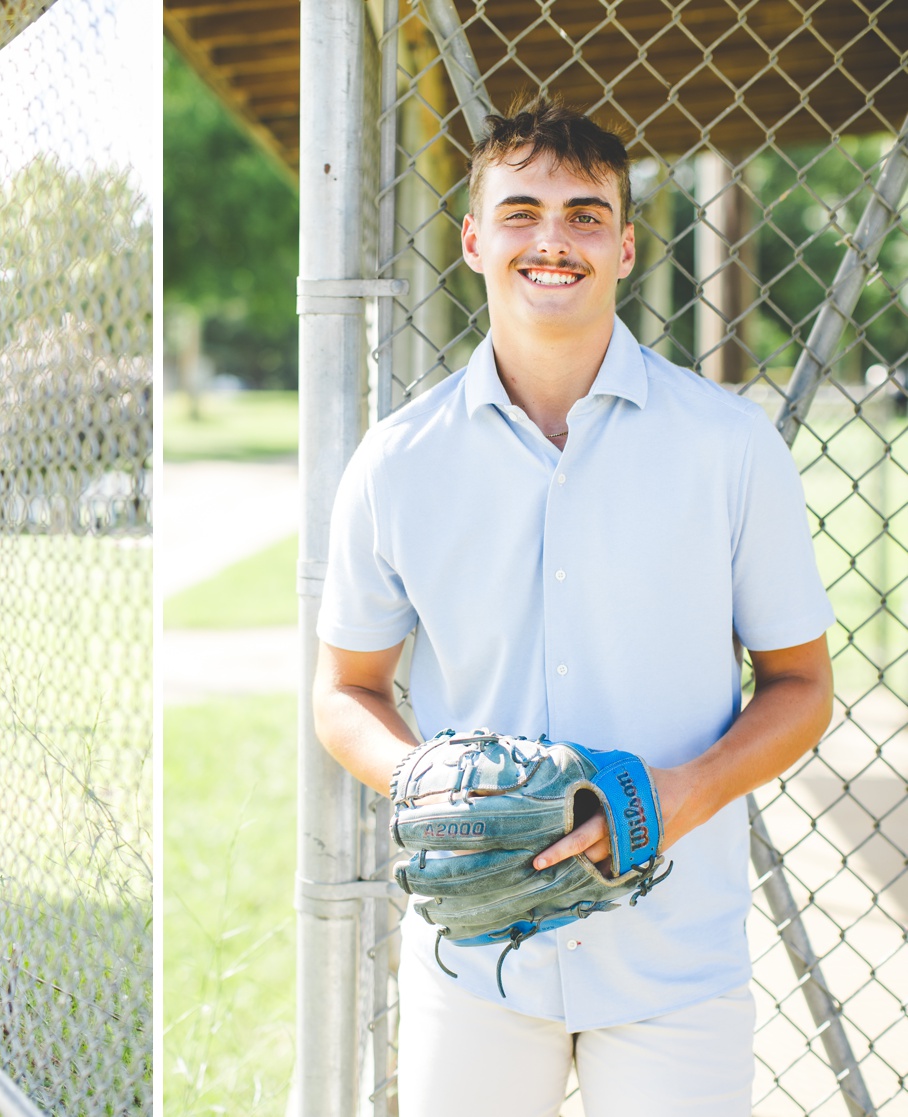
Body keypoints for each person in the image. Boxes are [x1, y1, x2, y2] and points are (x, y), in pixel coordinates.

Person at [313, 98, 834, 1117]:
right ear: (472, 239)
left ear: (627, 246)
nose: (552, 239)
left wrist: (679, 794)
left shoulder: (730, 449)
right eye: (521, 211)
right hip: (478, 955)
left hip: (675, 958)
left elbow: (803, 685)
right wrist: (433, 784)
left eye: (585, 214)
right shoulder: (397, 462)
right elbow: (345, 690)